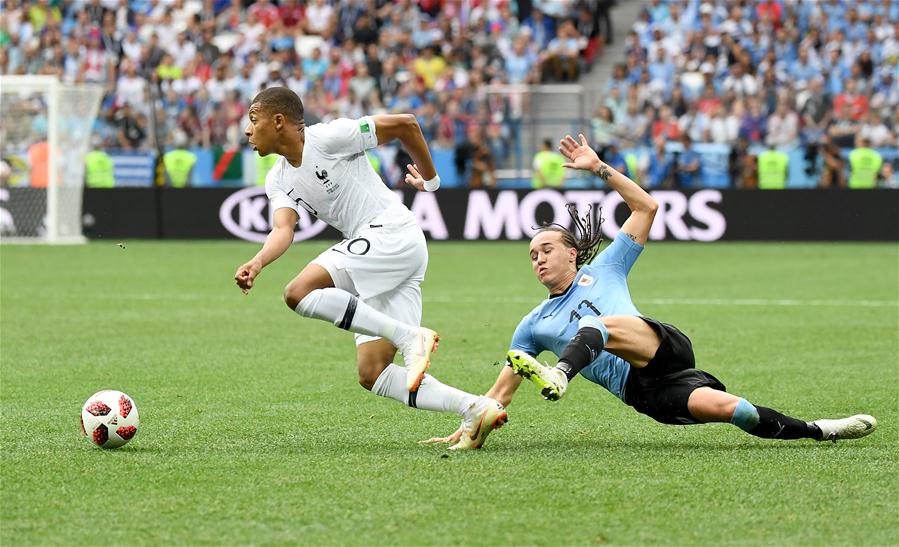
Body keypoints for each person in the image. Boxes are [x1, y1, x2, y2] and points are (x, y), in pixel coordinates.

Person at [425, 134, 877, 447]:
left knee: (595, 323)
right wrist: (472, 427)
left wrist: (599, 167)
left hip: (661, 347)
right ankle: (820, 430)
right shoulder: (533, 325)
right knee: (733, 409)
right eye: (531, 255)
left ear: (571, 254)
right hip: (646, 392)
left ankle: (562, 373)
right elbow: (499, 395)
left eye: (546, 248)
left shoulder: (607, 267)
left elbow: (647, 205)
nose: (538, 258)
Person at [234, 87, 506, 449]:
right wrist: (258, 261)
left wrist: (431, 180)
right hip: (386, 257)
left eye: (254, 120)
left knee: (298, 292)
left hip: (389, 233)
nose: (247, 131)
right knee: (373, 372)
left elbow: (406, 125)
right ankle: (474, 408)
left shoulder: (329, 137)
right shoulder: (278, 179)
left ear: (279, 121)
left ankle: (412, 337)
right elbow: (283, 229)